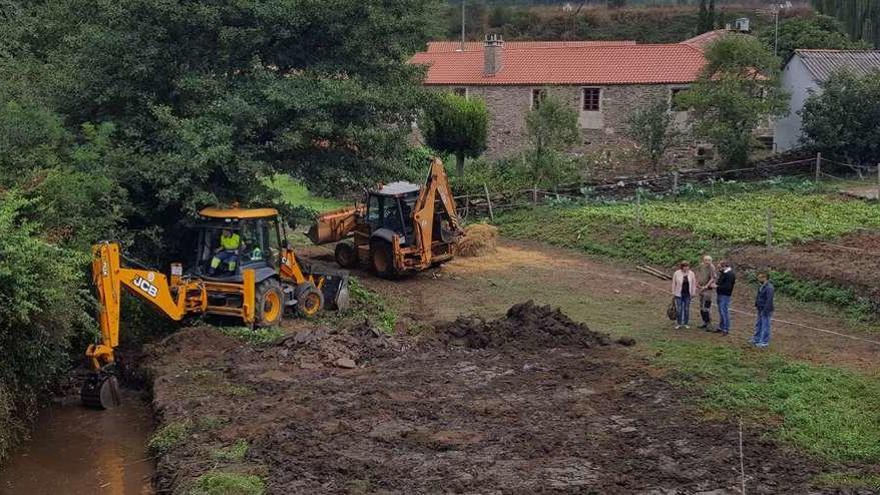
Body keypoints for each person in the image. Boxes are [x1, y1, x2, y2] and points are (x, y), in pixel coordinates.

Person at [751, 270, 775, 348]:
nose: (758, 278)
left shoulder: (769, 288)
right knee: (758, 324)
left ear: (765, 278)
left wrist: (765, 310)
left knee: (765, 325)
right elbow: (758, 296)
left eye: (760, 277)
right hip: (760, 308)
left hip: (766, 310)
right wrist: (756, 304)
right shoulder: (761, 286)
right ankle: (756, 339)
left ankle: (764, 342)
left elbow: (769, 300)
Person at [671, 261, 698, 329]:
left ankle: (686, 323)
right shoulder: (676, 273)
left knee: (686, 309)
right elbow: (674, 283)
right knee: (679, 309)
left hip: (687, 294)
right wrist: (673, 292)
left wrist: (693, 292)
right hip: (678, 294)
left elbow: (693, 284)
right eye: (684, 266)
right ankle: (679, 323)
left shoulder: (691, 273)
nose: (686, 268)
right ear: (682, 267)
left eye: (687, 266)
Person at [696, 254, 717, 331]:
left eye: (709, 260)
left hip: (708, 290)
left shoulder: (712, 267)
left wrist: (706, 286)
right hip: (700, 288)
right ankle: (704, 322)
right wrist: (697, 283)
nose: (707, 262)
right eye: (706, 260)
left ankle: (709, 323)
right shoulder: (701, 266)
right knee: (701, 306)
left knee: (706, 307)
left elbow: (713, 278)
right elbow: (699, 274)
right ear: (703, 260)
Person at [715, 260, 736, 335]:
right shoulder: (723, 273)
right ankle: (721, 327)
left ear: (724, 266)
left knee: (724, 311)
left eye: (720, 267)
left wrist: (717, 286)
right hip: (720, 293)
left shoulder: (730, 274)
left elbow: (728, 287)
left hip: (725, 295)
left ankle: (726, 328)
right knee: (721, 311)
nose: (719, 269)